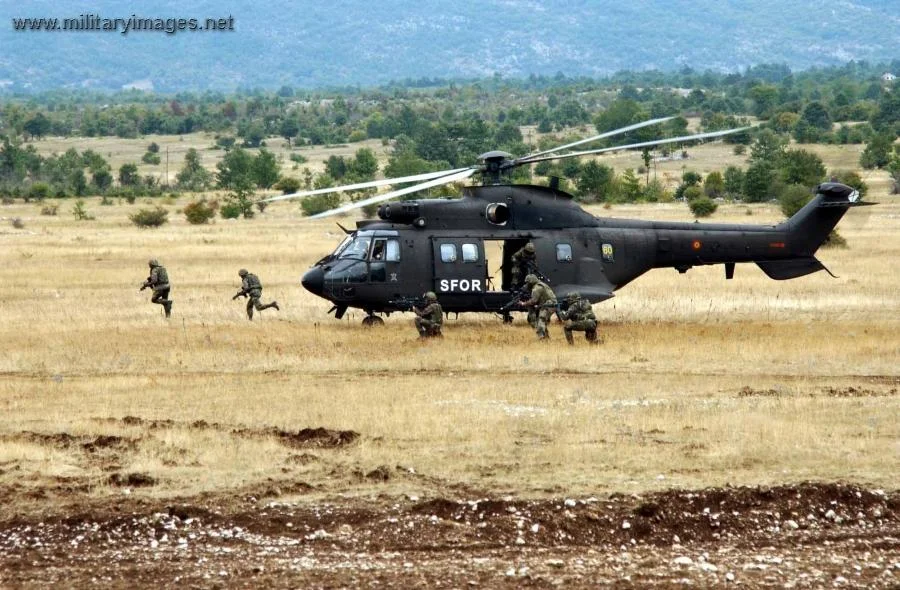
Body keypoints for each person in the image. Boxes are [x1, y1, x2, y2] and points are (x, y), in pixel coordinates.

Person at [520, 273, 556, 340]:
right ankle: (546, 338)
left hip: (549, 305)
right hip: (549, 304)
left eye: (528, 283)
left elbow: (533, 301)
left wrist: (523, 304)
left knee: (541, 320)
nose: (527, 284)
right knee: (542, 321)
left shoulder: (536, 288)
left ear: (531, 282)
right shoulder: (540, 284)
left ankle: (541, 338)